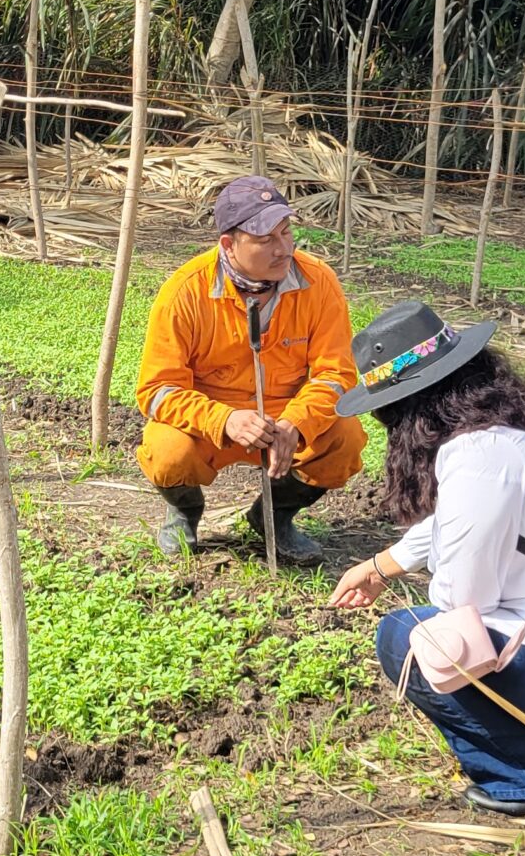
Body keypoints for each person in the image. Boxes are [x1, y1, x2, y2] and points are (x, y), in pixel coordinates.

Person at [325, 302, 525, 819]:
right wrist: (381, 565)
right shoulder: (522, 429)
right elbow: (464, 520)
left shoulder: (477, 455)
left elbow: (463, 604)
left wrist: (438, 580)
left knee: (409, 637)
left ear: (407, 409)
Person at [134, 175, 363, 564]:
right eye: (265, 240)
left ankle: (274, 515)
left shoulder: (319, 282)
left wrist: (296, 423)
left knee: (346, 438)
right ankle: (185, 512)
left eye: (286, 233)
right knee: (168, 452)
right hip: (211, 421)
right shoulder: (184, 291)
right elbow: (156, 391)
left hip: (286, 419)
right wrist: (223, 419)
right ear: (228, 244)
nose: (283, 248)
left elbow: (336, 374)